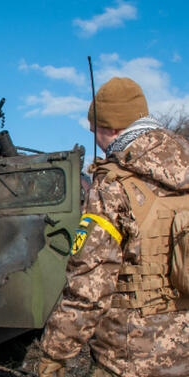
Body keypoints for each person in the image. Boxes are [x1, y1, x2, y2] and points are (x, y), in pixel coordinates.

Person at [38, 77, 189, 377]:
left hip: (129, 355)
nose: (97, 140)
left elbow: (88, 290)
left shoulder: (113, 187)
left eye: (96, 131)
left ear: (114, 129)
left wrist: (54, 354)